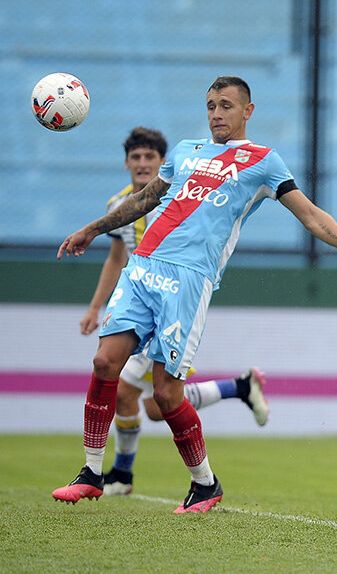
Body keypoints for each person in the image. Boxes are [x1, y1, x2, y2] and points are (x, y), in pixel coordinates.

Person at [53, 76, 337, 513]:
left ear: (248, 111)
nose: (217, 113)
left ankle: (205, 483)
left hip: (189, 281)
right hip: (143, 266)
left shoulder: (263, 162)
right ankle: (91, 472)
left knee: (164, 394)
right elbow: (144, 200)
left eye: (227, 106)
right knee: (104, 363)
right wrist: (91, 229)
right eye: (211, 105)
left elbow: (310, 215)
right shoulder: (184, 151)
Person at [78, 126, 270, 497]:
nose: (143, 163)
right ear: (126, 163)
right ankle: (240, 387)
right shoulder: (118, 206)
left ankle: (122, 473)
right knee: (151, 404)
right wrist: (95, 306)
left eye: (150, 157)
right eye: (136, 157)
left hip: (174, 302)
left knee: (155, 398)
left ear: (165, 163)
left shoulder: (177, 200)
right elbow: (117, 257)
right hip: (138, 299)